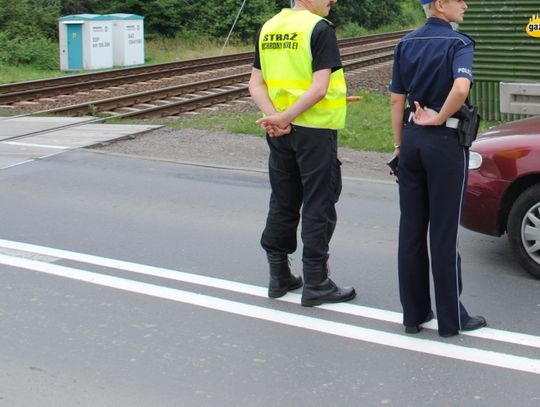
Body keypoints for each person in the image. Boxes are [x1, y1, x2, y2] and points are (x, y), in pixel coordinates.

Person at [389, 0, 486, 337]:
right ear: (440, 5)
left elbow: (396, 100)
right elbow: (461, 88)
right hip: (444, 144)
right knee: (443, 233)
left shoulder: (405, 43)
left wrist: (401, 145)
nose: (466, 5)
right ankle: (450, 319)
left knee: (411, 230)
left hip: (412, 143)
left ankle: (413, 315)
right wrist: (440, 117)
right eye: (459, 0)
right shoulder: (459, 43)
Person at [248, 0, 355, 306]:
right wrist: (285, 117)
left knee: (283, 199)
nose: (333, 0)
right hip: (315, 131)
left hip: (281, 132)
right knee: (319, 202)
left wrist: (275, 117)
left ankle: (278, 275)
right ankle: (317, 282)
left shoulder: (268, 28)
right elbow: (320, 88)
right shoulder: (318, 29)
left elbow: (255, 83)